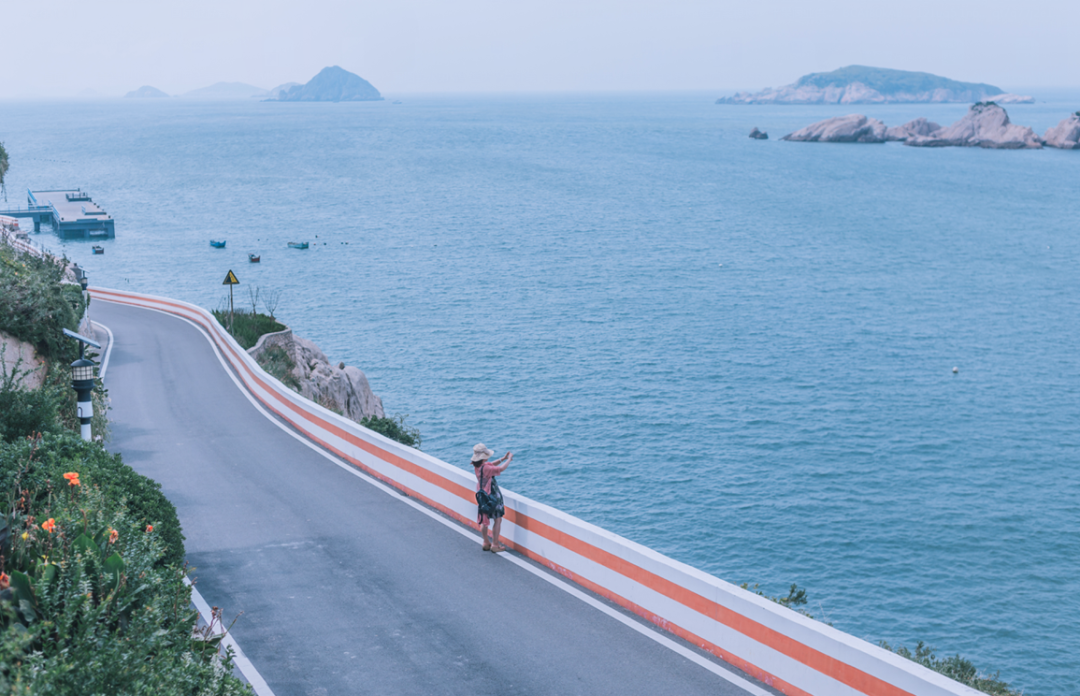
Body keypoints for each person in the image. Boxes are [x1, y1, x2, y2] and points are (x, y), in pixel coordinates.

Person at [472, 443, 512, 552]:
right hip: (492, 495)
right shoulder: (486, 468)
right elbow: (500, 469)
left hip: (482, 496)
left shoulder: (477, 466)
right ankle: (495, 544)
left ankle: (485, 542)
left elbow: (490, 465)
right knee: (497, 519)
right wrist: (508, 460)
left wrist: (502, 458)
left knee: (484, 519)